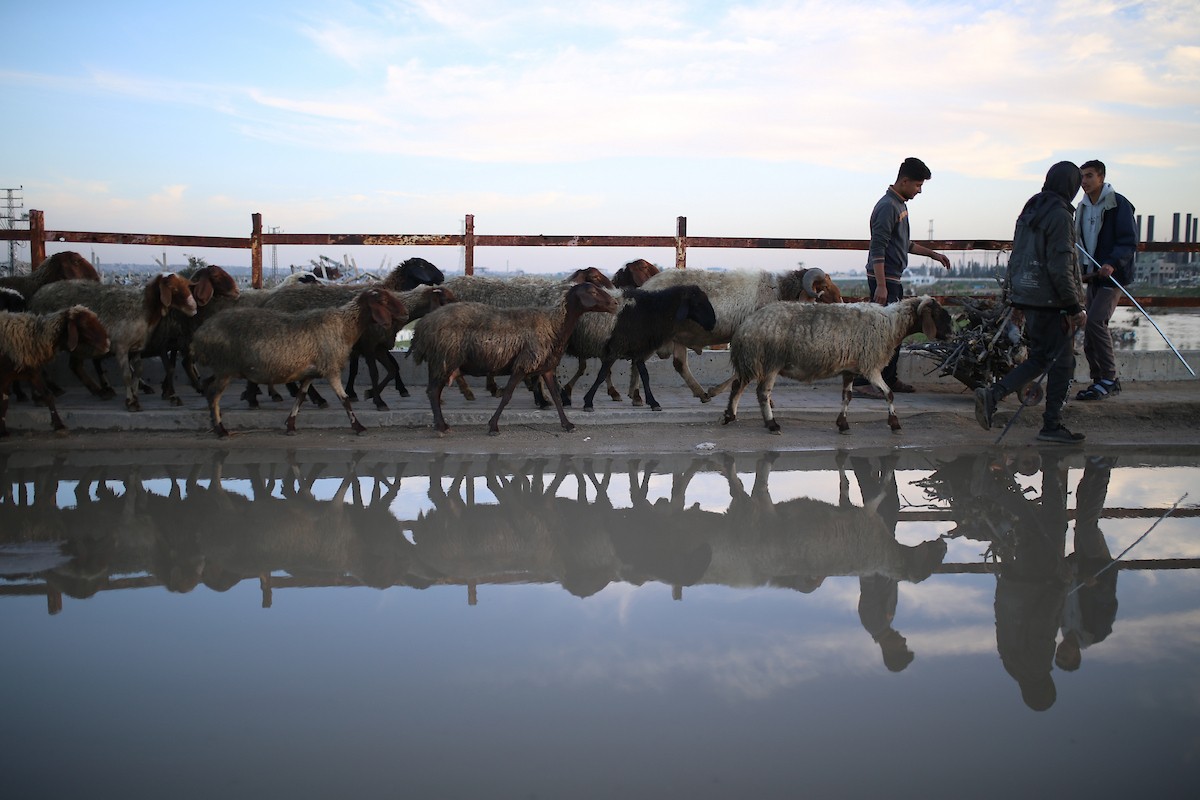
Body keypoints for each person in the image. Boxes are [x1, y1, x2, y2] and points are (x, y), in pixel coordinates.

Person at [974, 161, 1087, 444]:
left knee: (1040, 357)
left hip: (1030, 297)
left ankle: (994, 394)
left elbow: (1018, 256)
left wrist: (1014, 296)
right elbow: (1061, 264)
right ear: (1070, 186)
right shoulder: (1060, 215)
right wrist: (1073, 306)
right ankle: (1051, 425)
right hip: (1054, 301)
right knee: (1063, 364)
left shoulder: (1031, 210)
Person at [854, 157, 952, 399]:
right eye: (918, 185)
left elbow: (904, 244)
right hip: (884, 279)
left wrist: (933, 255)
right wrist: (882, 286)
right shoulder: (888, 206)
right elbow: (877, 248)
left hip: (892, 278)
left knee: (895, 333)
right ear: (904, 181)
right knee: (881, 335)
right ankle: (862, 382)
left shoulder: (900, 206)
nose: (919, 191)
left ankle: (889, 379)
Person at [1075, 160, 1138, 401]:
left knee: (1096, 322)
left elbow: (1128, 241)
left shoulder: (1118, 204)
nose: (1084, 181)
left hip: (1113, 276)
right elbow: (1080, 242)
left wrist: (1112, 262)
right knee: (1089, 325)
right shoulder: (1082, 207)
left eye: (1089, 176)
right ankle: (1098, 379)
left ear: (1101, 177)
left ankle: (1110, 378)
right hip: (1093, 275)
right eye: (1082, 177)